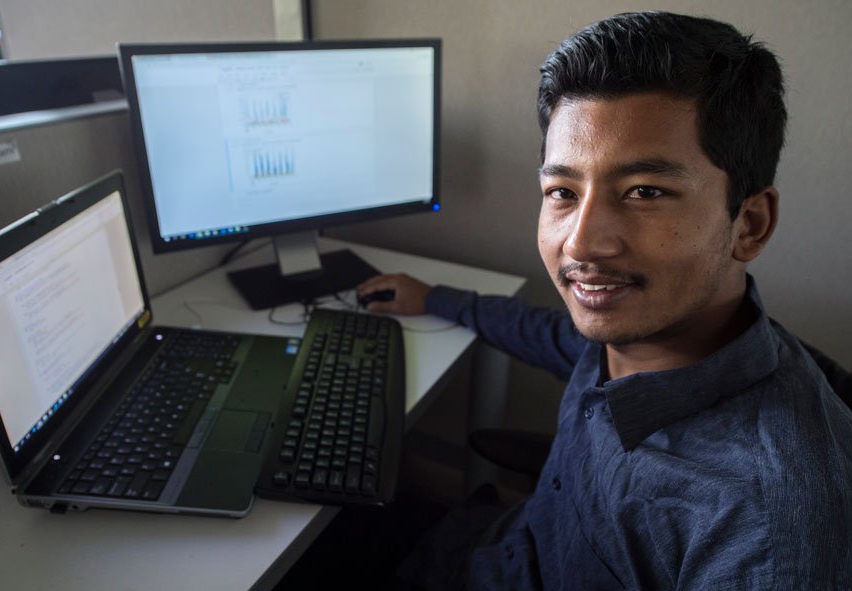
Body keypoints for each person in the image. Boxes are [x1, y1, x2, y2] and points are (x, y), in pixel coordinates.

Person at [357, 11, 852, 590]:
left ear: (749, 223)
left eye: (645, 192)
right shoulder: (637, 331)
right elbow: (542, 331)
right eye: (562, 192)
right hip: (490, 550)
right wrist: (435, 298)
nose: (581, 242)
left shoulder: (765, 527)